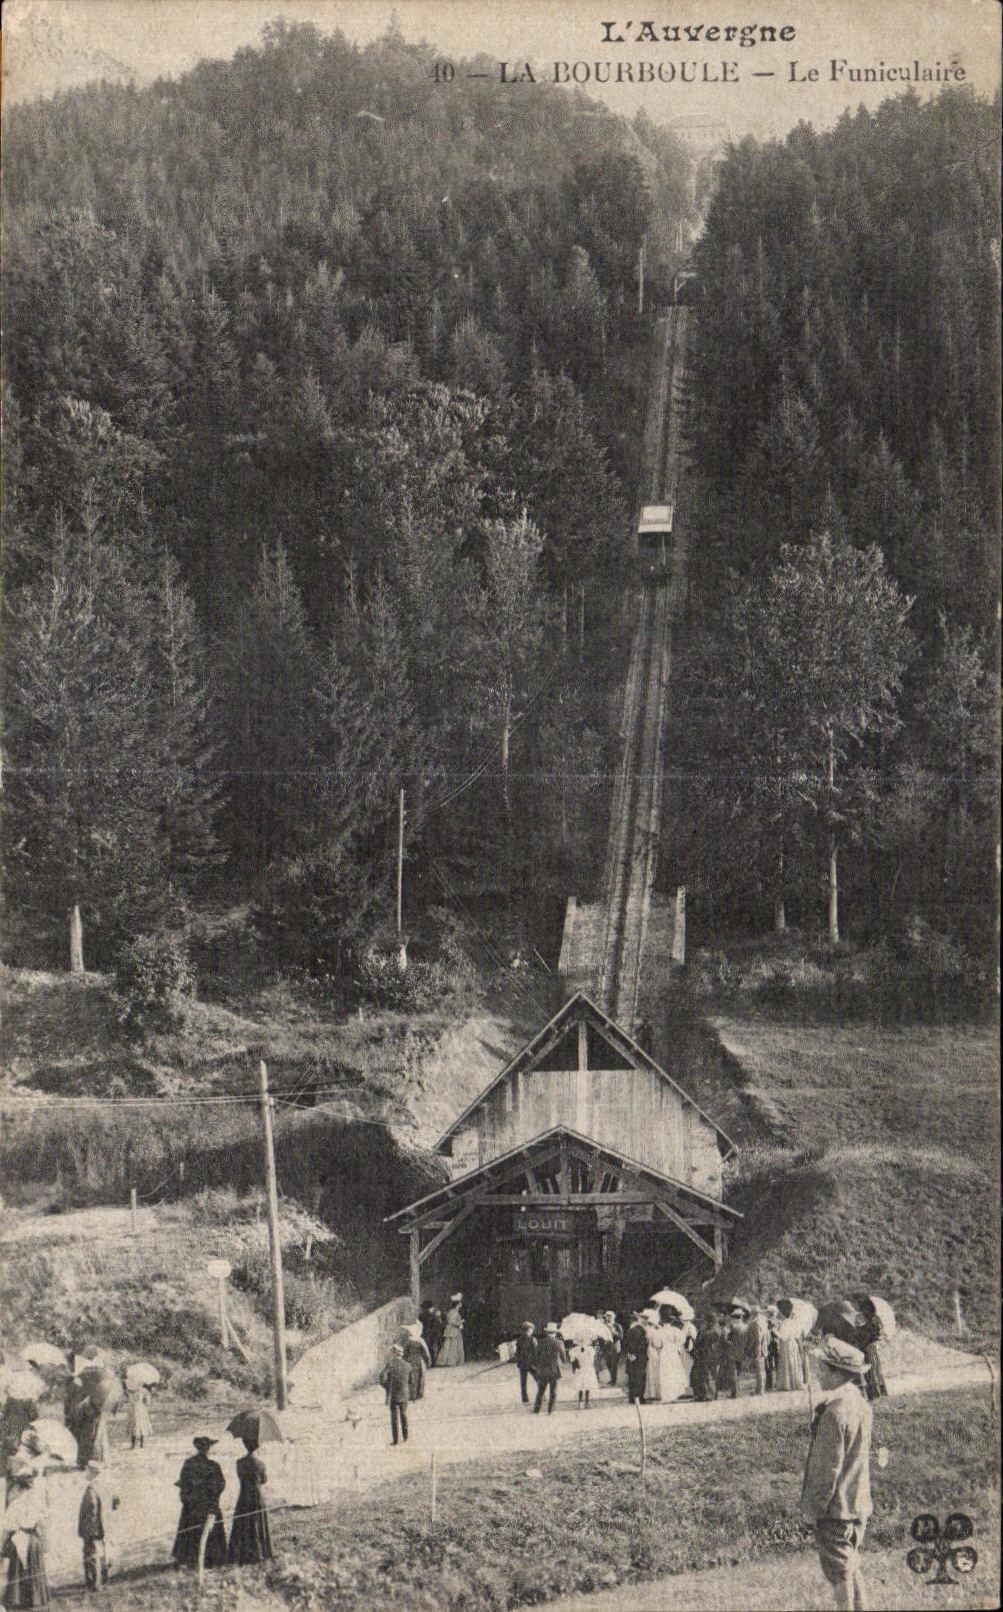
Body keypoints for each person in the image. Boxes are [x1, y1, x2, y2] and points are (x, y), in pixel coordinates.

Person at [801, 1337, 873, 1612]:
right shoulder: (862, 1406)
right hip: (858, 1502)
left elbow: (825, 1469)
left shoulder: (834, 1413)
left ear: (836, 1372)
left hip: (835, 1508)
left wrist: (813, 1509)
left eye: (822, 1368)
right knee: (850, 1562)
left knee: (839, 1571)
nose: (817, 1373)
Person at [172, 1437, 227, 1569]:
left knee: (190, 1527)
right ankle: (211, 1558)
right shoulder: (213, 1466)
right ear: (208, 1449)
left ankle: (188, 1558)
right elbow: (220, 1485)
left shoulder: (188, 1463)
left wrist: (187, 1500)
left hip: (192, 1507)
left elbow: (182, 1484)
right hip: (207, 1506)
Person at [2, 1459, 49, 1611]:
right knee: (34, 1568)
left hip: (21, 1538)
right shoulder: (36, 1500)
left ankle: (19, 1598)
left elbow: (9, 1525)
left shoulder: (16, 1502)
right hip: (33, 1539)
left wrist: (3, 1542)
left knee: (19, 1570)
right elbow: (42, 1522)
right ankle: (35, 1598)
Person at [228, 1438, 273, 1565]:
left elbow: (240, 1477)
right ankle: (258, 1552)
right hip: (256, 1496)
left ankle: (241, 1553)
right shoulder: (260, 1464)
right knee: (257, 1523)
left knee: (243, 1523)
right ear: (256, 1448)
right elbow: (264, 1480)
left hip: (243, 1496)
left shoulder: (239, 1463)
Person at [77, 1460, 119, 1592]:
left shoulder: (91, 1490)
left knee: (91, 1555)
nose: (86, 1473)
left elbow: (91, 1512)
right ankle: (104, 1578)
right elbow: (116, 1502)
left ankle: (94, 1584)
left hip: (93, 1528)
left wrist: (88, 1532)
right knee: (103, 1553)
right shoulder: (106, 1486)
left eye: (88, 1471)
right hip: (105, 1526)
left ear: (93, 1473)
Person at [853, 1299, 889, 1402]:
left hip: (870, 1348)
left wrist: (859, 1328)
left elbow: (870, 1334)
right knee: (873, 1371)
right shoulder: (871, 1320)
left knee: (871, 1371)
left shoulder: (873, 1321)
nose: (863, 1311)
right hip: (869, 1348)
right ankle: (878, 1392)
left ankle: (875, 1394)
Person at [379, 1344, 413, 1447]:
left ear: (394, 1354)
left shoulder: (390, 1365)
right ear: (401, 1355)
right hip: (404, 1394)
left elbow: (382, 1377)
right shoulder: (408, 1365)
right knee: (404, 1414)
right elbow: (411, 1381)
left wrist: (387, 1387)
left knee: (394, 1417)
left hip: (393, 1394)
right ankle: (406, 1437)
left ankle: (395, 1440)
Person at [656, 1307, 691, 1402]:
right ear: (671, 1321)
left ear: (662, 1321)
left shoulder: (659, 1331)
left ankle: (667, 1396)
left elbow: (657, 1344)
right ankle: (674, 1395)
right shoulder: (675, 1330)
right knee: (673, 1373)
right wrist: (676, 1345)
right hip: (673, 1352)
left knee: (665, 1374)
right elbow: (682, 1339)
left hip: (664, 1353)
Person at [532, 1323, 566, 1415]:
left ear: (547, 1333)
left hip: (543, 1369)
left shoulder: (541, 1342)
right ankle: (550, 1411)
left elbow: (536, 1357)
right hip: (555, 1370)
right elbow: (564, 1358)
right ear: (555, 1333)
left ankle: (536, 1410)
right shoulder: (559, 1342)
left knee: (541, 1391)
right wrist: (561, 1363)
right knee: (553, 1391)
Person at [774, 1299, 806, 1392]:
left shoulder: (786, 1323)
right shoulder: (795, 1323)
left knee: (787, 1362)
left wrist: (775, 1331)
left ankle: (787, 1384)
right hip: (793, 1343)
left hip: (786, 1344)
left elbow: (783, 1336)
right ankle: (795, 1382)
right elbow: (797, 1334)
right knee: (794, 1362)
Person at [690, 1312, 723, 1402]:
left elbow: (698, 1343)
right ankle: (706, 1394)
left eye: (707, 1321)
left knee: (705, 1375)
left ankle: (706, 1394)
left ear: (711, 1322)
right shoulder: (716, 1331)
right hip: (708, 1356)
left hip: (706, 1356)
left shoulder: (709, 1332)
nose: (706, 1323)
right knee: (706, 1375)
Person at [722, 1300, 750, 1398]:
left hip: (732, 1351)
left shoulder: (731, 1326)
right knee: (738, 1372)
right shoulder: (746, 1326)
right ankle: (738, 1391)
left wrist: (727, 1342)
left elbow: (724, 1335)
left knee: (733, 1372)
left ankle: (735, 1393)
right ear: (741, 1316)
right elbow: (749, 1339)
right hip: (742, 1351)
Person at [745, 1303, 772, 1395]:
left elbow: (758, 1338)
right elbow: (767, 1336)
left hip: (758, 1349)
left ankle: (760, 1390)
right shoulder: (763, 1322)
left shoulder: (755, 1323)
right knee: (761, 1369)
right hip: (763, 1348)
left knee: (759, 1370)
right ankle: (760, 1389)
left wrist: (756, 1351)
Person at [624, 1311, 649, 1404]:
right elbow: (637, 1345)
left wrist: (630, 1354)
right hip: (639, 1356)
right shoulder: (639, 1330)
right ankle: (639, 1397)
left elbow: (626, 1344)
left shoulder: (632, 1329)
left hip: (633, 1356)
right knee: (639, 1377)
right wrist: (634, 1354)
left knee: (633, 1377)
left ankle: (632, 1397)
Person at [402, 1325, 432, 1401]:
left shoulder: (408, 1341)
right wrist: (428, 1361)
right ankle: (419, 1393)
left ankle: (412, 1395)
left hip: (410, 1361)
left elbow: (404, 1353)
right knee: (420, 1376)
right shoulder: (420, 1340)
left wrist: (404, 1360)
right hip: (419, 1360)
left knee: (412, 1377)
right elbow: (425, 1352)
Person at [568, 1339, 598, 1409]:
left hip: (580, 1369)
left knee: (580, 1386)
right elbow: (592, 1361)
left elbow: (572, 1360)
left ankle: (580, 1403)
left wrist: (576, 1362)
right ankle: (586, 1403)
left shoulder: (575, 1350)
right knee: (587, 1385)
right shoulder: (590, 1349)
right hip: (587, 1368)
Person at [437, 1295, 465, 1367]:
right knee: (453, 1345)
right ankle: (451, 1361)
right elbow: (452, 1322)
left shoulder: (451, 1311)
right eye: (460, 1304)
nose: (461, 1305)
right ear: (457, 1305)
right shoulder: (454, 1312)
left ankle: (446, 1361)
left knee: (448, 1345)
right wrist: (460, 1322)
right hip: (454, 1330)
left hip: (451, 1330)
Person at [514, 1323, 538, 1405]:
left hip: (522, 1364)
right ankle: (542, 1395)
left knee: (523, 1382)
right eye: (532, 1329)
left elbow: (517, 1352)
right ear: (529, 1329)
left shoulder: (519, 1339)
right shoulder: (533, 1339)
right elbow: (536, 1352)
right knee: (538, 1379)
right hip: (531, 1364)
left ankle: (525, 1399)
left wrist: (518, 1360)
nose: (532, 1331)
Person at [643, 1311, 664, 1401]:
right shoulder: (654, 1331)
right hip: (653, 1351)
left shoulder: (645, 1329)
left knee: (649, 1371)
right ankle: (655, 1393)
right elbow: (657, 1344)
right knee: (655, 1371)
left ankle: (649, 1392)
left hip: (648, 1350)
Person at [125, 1383, 153, 1450]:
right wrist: (147, 1398)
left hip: (132, 1409)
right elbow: (147, 1402)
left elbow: (127, 1399)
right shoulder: (144, 1391)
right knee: (142, 1425)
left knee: (133, 1424)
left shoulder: (128, 1391)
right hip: (141, 1408)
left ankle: (133, 1444)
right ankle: (142, 1443)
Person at [601, 1312, 623, 1385]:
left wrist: (614, 1332)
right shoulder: (603, 1326)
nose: (608, 1318)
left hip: (615, 1347)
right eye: (607, 1316)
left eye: (610, 1316)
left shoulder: (617, 1325)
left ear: (614, 1317)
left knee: (614, 1364)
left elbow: (621, 1337)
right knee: (608, 1363)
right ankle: (611, 1378)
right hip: (606, 1347)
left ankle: (614, 1380)